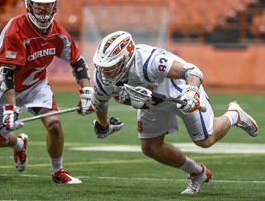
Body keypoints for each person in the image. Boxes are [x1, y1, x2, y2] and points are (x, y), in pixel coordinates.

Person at [91, 31, 259, 194]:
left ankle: (234, 114)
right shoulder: (102, 79)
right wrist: (104, 125)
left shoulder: (149, 61)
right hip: (152, 104)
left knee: (205, 140)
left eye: (110, 67)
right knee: (150, 147)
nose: (104, 72)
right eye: (102, 66)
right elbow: (100, 103)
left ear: (127, 60)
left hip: (178, 92)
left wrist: (191, 91)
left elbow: (192, 71)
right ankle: (197, 172)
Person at [0, 0, 93, 184]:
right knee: (0, 140)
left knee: (54, 126)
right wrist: (10, 108)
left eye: (48, 6)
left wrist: (87, 91)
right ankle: (19, 144)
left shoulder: (57, 32)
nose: (44, 11)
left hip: (36, 84)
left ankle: (58, 172)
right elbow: (6, 73)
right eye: (39, 5)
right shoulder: (15, 30)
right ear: (28, 5)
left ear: (54, 6)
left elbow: (78, 62)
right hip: (5, 87)